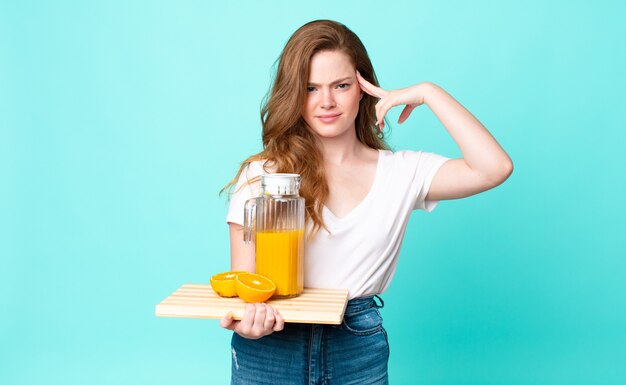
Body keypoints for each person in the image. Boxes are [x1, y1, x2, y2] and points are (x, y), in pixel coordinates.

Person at [220, 19, 512, 384]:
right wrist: (249, 324)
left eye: (341, 85)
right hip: (271, 350)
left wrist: (429, 92)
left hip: (355, 345)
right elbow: (246, 287)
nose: (326, 102)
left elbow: (494, 167)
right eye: (310, 88)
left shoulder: (402, 173)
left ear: (363, 89)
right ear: (294, 95)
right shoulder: (266, 177)